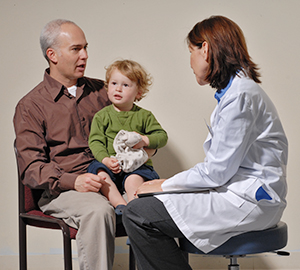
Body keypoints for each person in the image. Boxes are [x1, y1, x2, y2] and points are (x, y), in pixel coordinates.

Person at [122, 15, 288, 270]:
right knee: (146, 208)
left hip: (249, 201)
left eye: (191, 51)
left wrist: (164, 184)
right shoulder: (237, 93)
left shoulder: (241, 96)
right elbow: (220, 170)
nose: (190, 61)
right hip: (240, 193)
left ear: (206, 49)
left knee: (138, 214)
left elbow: (216, 172)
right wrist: (166, 187)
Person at [13, 19, 155, 270]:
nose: (85, 55)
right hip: (65, 190)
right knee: (98, 211)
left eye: (85, 48)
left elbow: (139, 124)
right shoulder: (30, 106)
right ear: (52, 55)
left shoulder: (103, 91)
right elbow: (32, 168)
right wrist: (74, 181)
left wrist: (145, 145)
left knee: (160, 202)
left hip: (116, 179)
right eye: (76, 49)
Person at [87, 59, 168, 216]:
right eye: (114, 83)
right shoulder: (101, 116)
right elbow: (95, 141)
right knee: (100, 174)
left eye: (125, 85)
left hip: (136, 166)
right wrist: (105, 160)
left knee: (133, 180)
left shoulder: (144, 115)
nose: (118, 89)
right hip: (111, 165)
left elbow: (162, 137)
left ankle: (134, 210)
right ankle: (120, 205)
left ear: (138, 92)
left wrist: (145, 140)